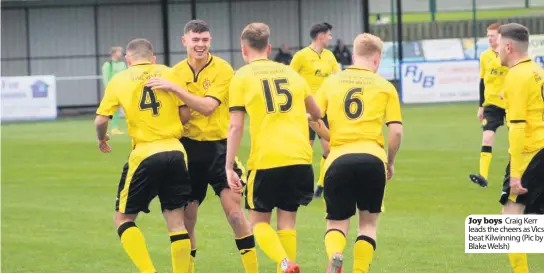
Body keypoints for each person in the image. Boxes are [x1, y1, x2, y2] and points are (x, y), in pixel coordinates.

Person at [145, 20, 257, 273]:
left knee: (236, 216)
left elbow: (208, 107)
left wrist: (177, 91)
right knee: (188, 221)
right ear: (184, 41)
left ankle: (253, 270)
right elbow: (180, 117)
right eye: (195, 40)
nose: (201, 45)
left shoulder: (222, 69)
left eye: (205, 40)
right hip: (188, 151)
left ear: (210, 41)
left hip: (220, 151)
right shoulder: (174, 72)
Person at [225, 22, 322, 273]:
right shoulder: (291, 73)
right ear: (268, 47)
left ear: (243, 49)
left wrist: (228, 166)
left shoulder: (242, 76)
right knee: (287, 222)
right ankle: (287, 266)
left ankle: (284, 262)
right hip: (300, 157)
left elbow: (235, 126)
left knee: (257, 222)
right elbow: (317, 112)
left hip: (267, 159)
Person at [95, 39, 192, 273]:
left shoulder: (120, 79)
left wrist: (102, 138)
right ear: (153, 58)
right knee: (177, 222)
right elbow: (186, 113)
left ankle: (149, 271)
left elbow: (100, 120)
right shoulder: (170, 73)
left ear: (128, 60)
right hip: (176, 151)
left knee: (124, 219)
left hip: (145, 152)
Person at [311, 33, 403, 273]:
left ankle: (336, 254)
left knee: (336, 223)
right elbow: (396, 132)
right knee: (368, 225)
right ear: (377, 58)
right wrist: (390, 162)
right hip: (373, 159)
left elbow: (312, 116)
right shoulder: (385, 86)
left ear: (353, 55)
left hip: (338, 159)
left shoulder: (332, 82)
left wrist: (331, 136)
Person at [496, 23, 544, 273]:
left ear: (509, 46)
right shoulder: (537, 70)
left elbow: (516, 126)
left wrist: (515, 173)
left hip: (529, 153)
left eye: (497, 46)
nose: (496, 51)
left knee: (511, 220)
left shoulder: (516, 76)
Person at [290, 22, 341, 198]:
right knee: (306, 150)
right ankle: (300, 186)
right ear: (321, 36)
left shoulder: (330, 56)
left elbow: (337, 78)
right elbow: (289, 79)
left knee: (329, 149)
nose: (331, 38)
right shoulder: (301, 56)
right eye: (329, 35)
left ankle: (321, 185)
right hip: (306, 112)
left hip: (325, 110)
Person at [469, 23, 509, 188]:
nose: (490, 39)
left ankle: (518, 173)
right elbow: (482, 82)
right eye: (488, 35)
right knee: (487, 137)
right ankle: (483, 176)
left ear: (501, 37)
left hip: (510, 103)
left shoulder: (509, 55)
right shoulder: (485, 56)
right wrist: (481, 106)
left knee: (516, 139)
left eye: (493, 35)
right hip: (491, 104)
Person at [101, 46, 127, 135]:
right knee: (114, 110)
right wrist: (109, 90)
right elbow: (106, 78)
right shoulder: (108, 65)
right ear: (113, 53)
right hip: (113, 90)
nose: (121, 54)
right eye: (119, 52)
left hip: (123, 89)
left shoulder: (123, 64)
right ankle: (114, 128)